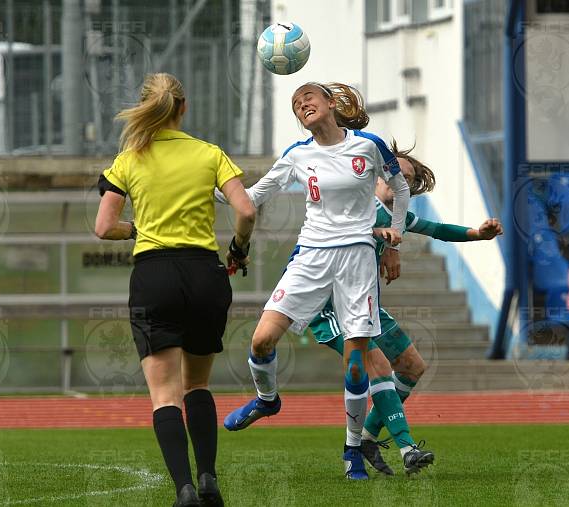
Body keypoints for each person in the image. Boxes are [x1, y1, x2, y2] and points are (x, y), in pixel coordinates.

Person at [221, 82, 424, 480]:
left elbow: (399, 186)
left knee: (356, 364)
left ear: (330, 104)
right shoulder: (298, 155)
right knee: (261, 340)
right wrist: (206, 187)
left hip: (357, 259)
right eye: (297, 104)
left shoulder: (368, 145)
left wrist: (396, 237)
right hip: (311, 257)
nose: (303, 104)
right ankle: (266, 400)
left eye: (309, 98)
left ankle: (352, 450)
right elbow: (255, 195)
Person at [95, 73, 256, 507]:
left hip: (155, 276)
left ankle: (183, 489)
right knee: (197, 386)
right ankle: (208, 479)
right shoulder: (209, 153)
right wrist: (238, 250)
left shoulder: (129, 159)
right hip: (206, 274)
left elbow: (103, 227)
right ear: (183, 108)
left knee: (164, 394)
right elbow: (245, 209)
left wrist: (139, 229)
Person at [309, 141, 503, 475]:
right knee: (380, 365)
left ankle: (367, 438)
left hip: (364, 305)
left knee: (412, 367)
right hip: (329, 304)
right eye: (391, 169)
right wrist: (383, 242)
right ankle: (406, 448)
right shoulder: (353, 200)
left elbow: (437, 229)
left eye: (406, 177)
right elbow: (334, 230)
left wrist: (476, 234)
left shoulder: (395, 217)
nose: (396, 176)